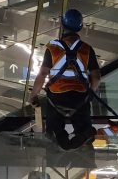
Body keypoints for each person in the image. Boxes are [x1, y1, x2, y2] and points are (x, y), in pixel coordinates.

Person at [31, 9, 101, 150]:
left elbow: (42, 74)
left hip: (57, 97)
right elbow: (96, 76)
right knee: (83, 127)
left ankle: (58, 136)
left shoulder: (52, 48)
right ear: (80, 27)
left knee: (54, 130)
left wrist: (33, 95)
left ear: (63, 26)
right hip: (80, 97)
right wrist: (90, 93)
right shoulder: (86, 49)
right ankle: (85, 134)